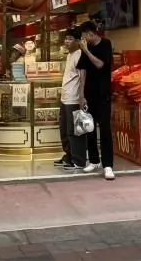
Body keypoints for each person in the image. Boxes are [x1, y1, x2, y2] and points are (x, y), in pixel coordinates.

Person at [77, 21, 115, 181]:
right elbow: (83, 72)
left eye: (84, 35)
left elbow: (100, 64)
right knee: (89, 129)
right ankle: (94, 160)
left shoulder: (105, 44)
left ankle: (108, 165)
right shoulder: (84, 50)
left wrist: (86, 50)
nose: (83, 38)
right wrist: (81, 94)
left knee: (105, 129)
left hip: (103, 94)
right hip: (89, 94)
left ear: (91, 33)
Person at [55, 29, 87, 171]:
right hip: (65, 98)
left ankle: (79, 160)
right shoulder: (70, 55)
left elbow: (82, 78)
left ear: (78, 40)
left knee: (75, 131)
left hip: (74, 99)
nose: (67, 41)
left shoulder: (80, 55)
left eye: (70, 39)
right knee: (64, 129)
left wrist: (81, 97)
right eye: (66, 39)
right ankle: (68, 156)